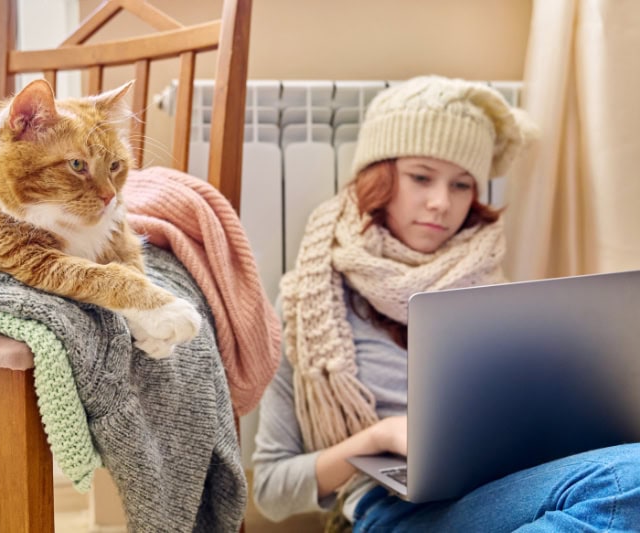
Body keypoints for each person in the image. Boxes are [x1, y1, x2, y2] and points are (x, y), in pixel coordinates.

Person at [252, 75, 640, 532]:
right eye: (421, 177)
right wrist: (380, 437)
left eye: (460, 185)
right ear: (377, 177)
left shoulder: (493, 293)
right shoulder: (306, 302)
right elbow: (271, 488)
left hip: (505, 486)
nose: (440, 203)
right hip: (389, 507)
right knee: (627, 481)